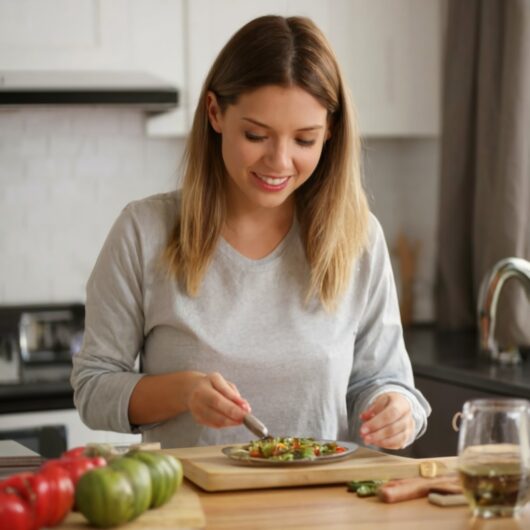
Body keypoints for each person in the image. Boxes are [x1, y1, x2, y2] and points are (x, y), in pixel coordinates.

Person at [71, 15, 431, 450]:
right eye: (257, 135)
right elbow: (93, 389)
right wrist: (183, 391)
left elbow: (384, 381)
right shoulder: (143, 231)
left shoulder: (356, 238)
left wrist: (396, 409)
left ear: (330, 132)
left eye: (304, 140)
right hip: (194, 512)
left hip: (323, 510)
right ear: (215, 113)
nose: (279, 161)